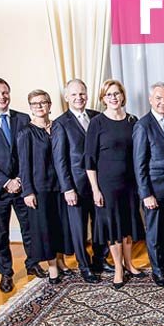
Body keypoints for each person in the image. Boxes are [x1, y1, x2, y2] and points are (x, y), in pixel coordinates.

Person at [0, 77, 46, 293]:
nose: (2, 97)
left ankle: (32, 263)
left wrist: (19, 179)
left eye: (5, 92)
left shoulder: (23, 118)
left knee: (29, 228)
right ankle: (6, 273)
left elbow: (29, 153)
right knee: (1, 233)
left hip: (22, 186)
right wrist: (6, 182)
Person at [85, 79, 145, 289]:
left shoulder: (132, 120)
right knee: (114, 228)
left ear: (123, 96)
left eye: (116, 93)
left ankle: (129, 263)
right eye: (109, 94)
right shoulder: (97, 123)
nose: (113, 98)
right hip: (107, 185)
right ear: (103, 98)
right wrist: (95, 189)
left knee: (127, 226)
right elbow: (89, 159)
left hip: (130, 184)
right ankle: (118, 268)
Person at [52, 79, 111, 284]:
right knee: (78, 227)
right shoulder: (60, 123)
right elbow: (60, 160)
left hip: (99, 183)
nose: (79, 98)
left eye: (82, 93)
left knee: (100, 223)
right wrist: (67, 188)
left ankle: (100, 259)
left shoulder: (97, 116)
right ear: (66, 97)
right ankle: (84, 266)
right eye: (74, 94)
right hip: (75, 186)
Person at [133, 82, 164, 288]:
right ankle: (157, 270)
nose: (163, 102)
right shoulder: (142, 125)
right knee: (153, 232)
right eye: (159, 98)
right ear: (150, 100)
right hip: (153, 189)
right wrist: (146, 194)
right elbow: (139, 164)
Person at [17, 90, 65, 284]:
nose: (39, 106)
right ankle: (52, 268)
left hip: (59, 186)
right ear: (30, 107)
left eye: (43, 102)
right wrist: (27, 191)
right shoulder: (26, 132)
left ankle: (61, 262)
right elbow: (23, 165)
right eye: (34, 103)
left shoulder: (57, 127)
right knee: (46, 228)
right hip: (39, 188)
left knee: (60, 225)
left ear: (49, 105)